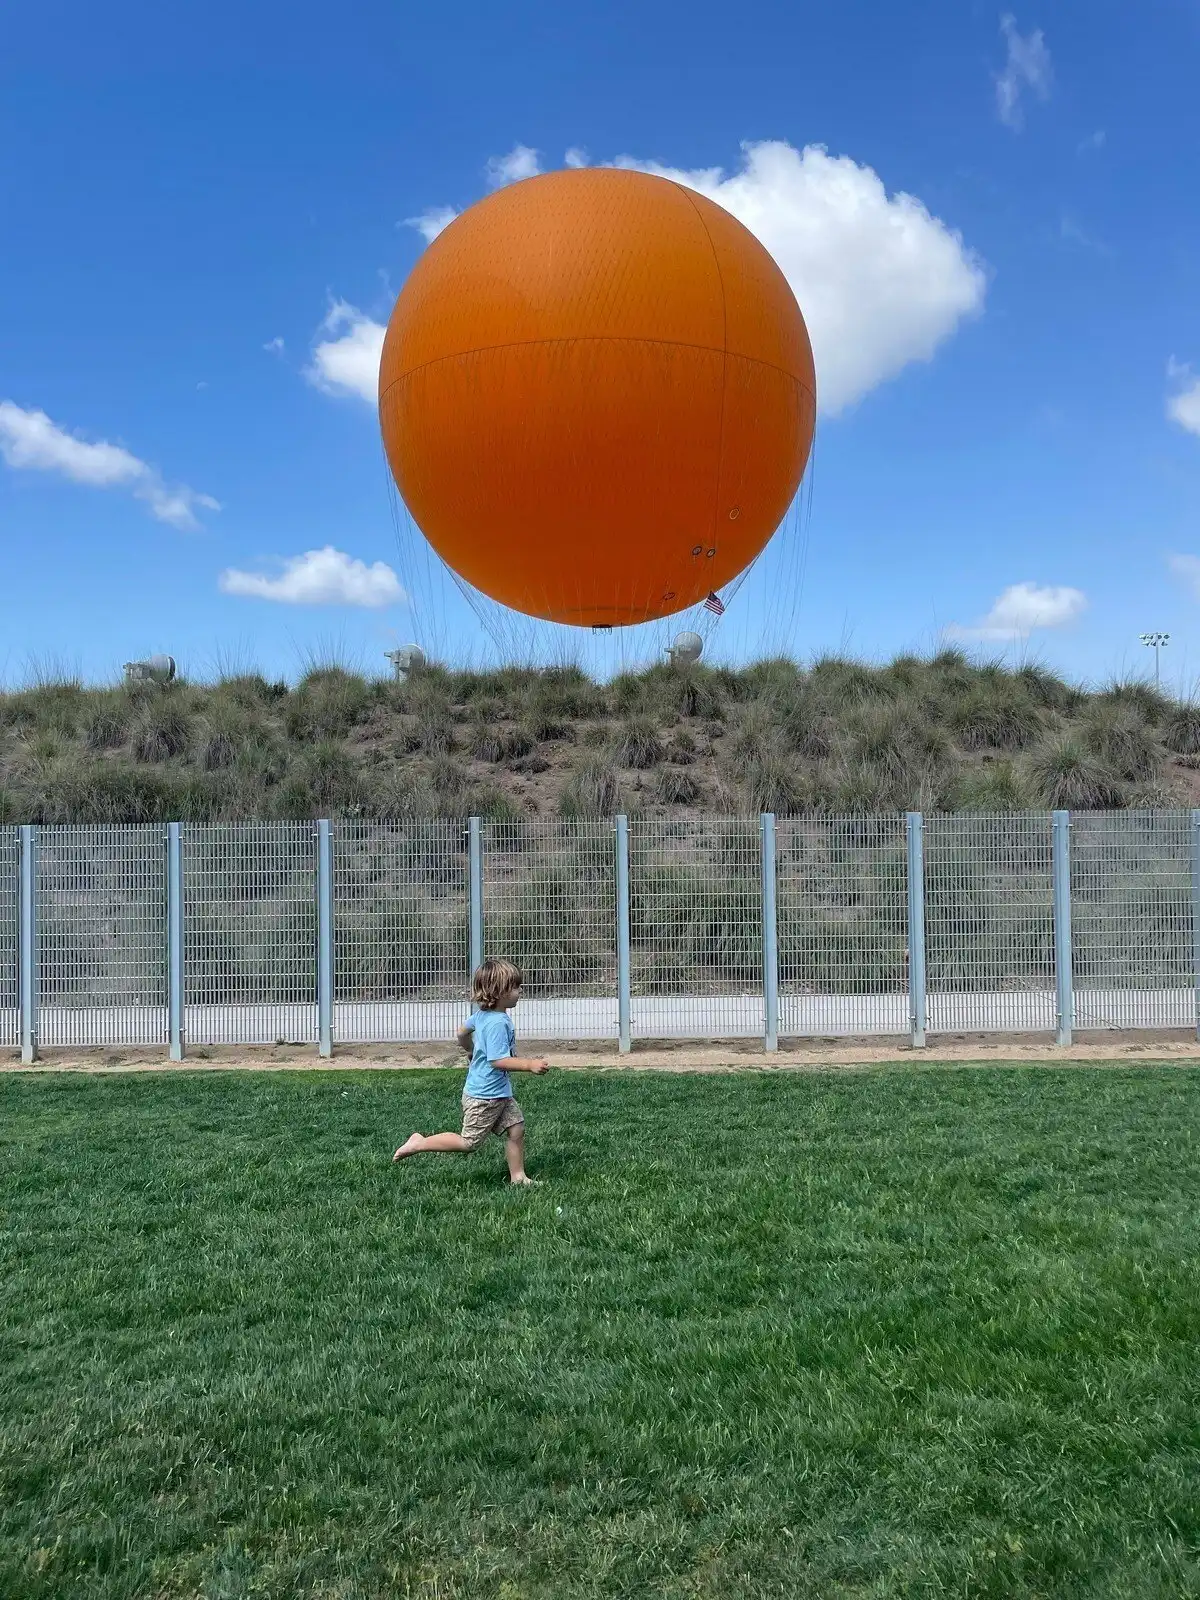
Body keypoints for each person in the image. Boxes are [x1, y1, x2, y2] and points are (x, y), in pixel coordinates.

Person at [392, 957, 549, 1184]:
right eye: (515, 987)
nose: (520, 990)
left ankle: (518, 1176)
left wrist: (470, 1050)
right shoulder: (498, 1023)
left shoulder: (483, 1015)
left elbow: (461, 1032)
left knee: (516, 1129)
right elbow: (498, 1061)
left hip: (498, 1093)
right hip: (484, 1096)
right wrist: (529, 1064)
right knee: (469, 1142)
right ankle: (419, 1143)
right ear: (499, 992)